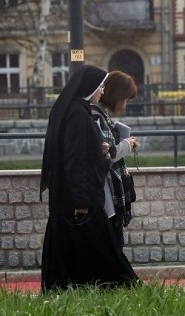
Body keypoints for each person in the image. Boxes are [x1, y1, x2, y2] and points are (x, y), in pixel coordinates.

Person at [40, 65, 140, 292]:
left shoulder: (74, 110)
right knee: (105, 253)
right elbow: (76, 161)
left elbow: (80, 153)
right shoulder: (78, 115)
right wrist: (83, 201)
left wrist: (99, 150)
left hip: (72, 199)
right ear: (91, 87)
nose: (102, 92)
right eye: (100, 86)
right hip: (83, 200)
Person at [91, 70, 139, 250]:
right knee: (113, 240)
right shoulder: (97, 115)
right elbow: (107, 155)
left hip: (110, 186)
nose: (125, 104)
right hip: (107, 187)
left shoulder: (101, 114)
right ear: (116, 95)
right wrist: (127, 144)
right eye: (125, 99)